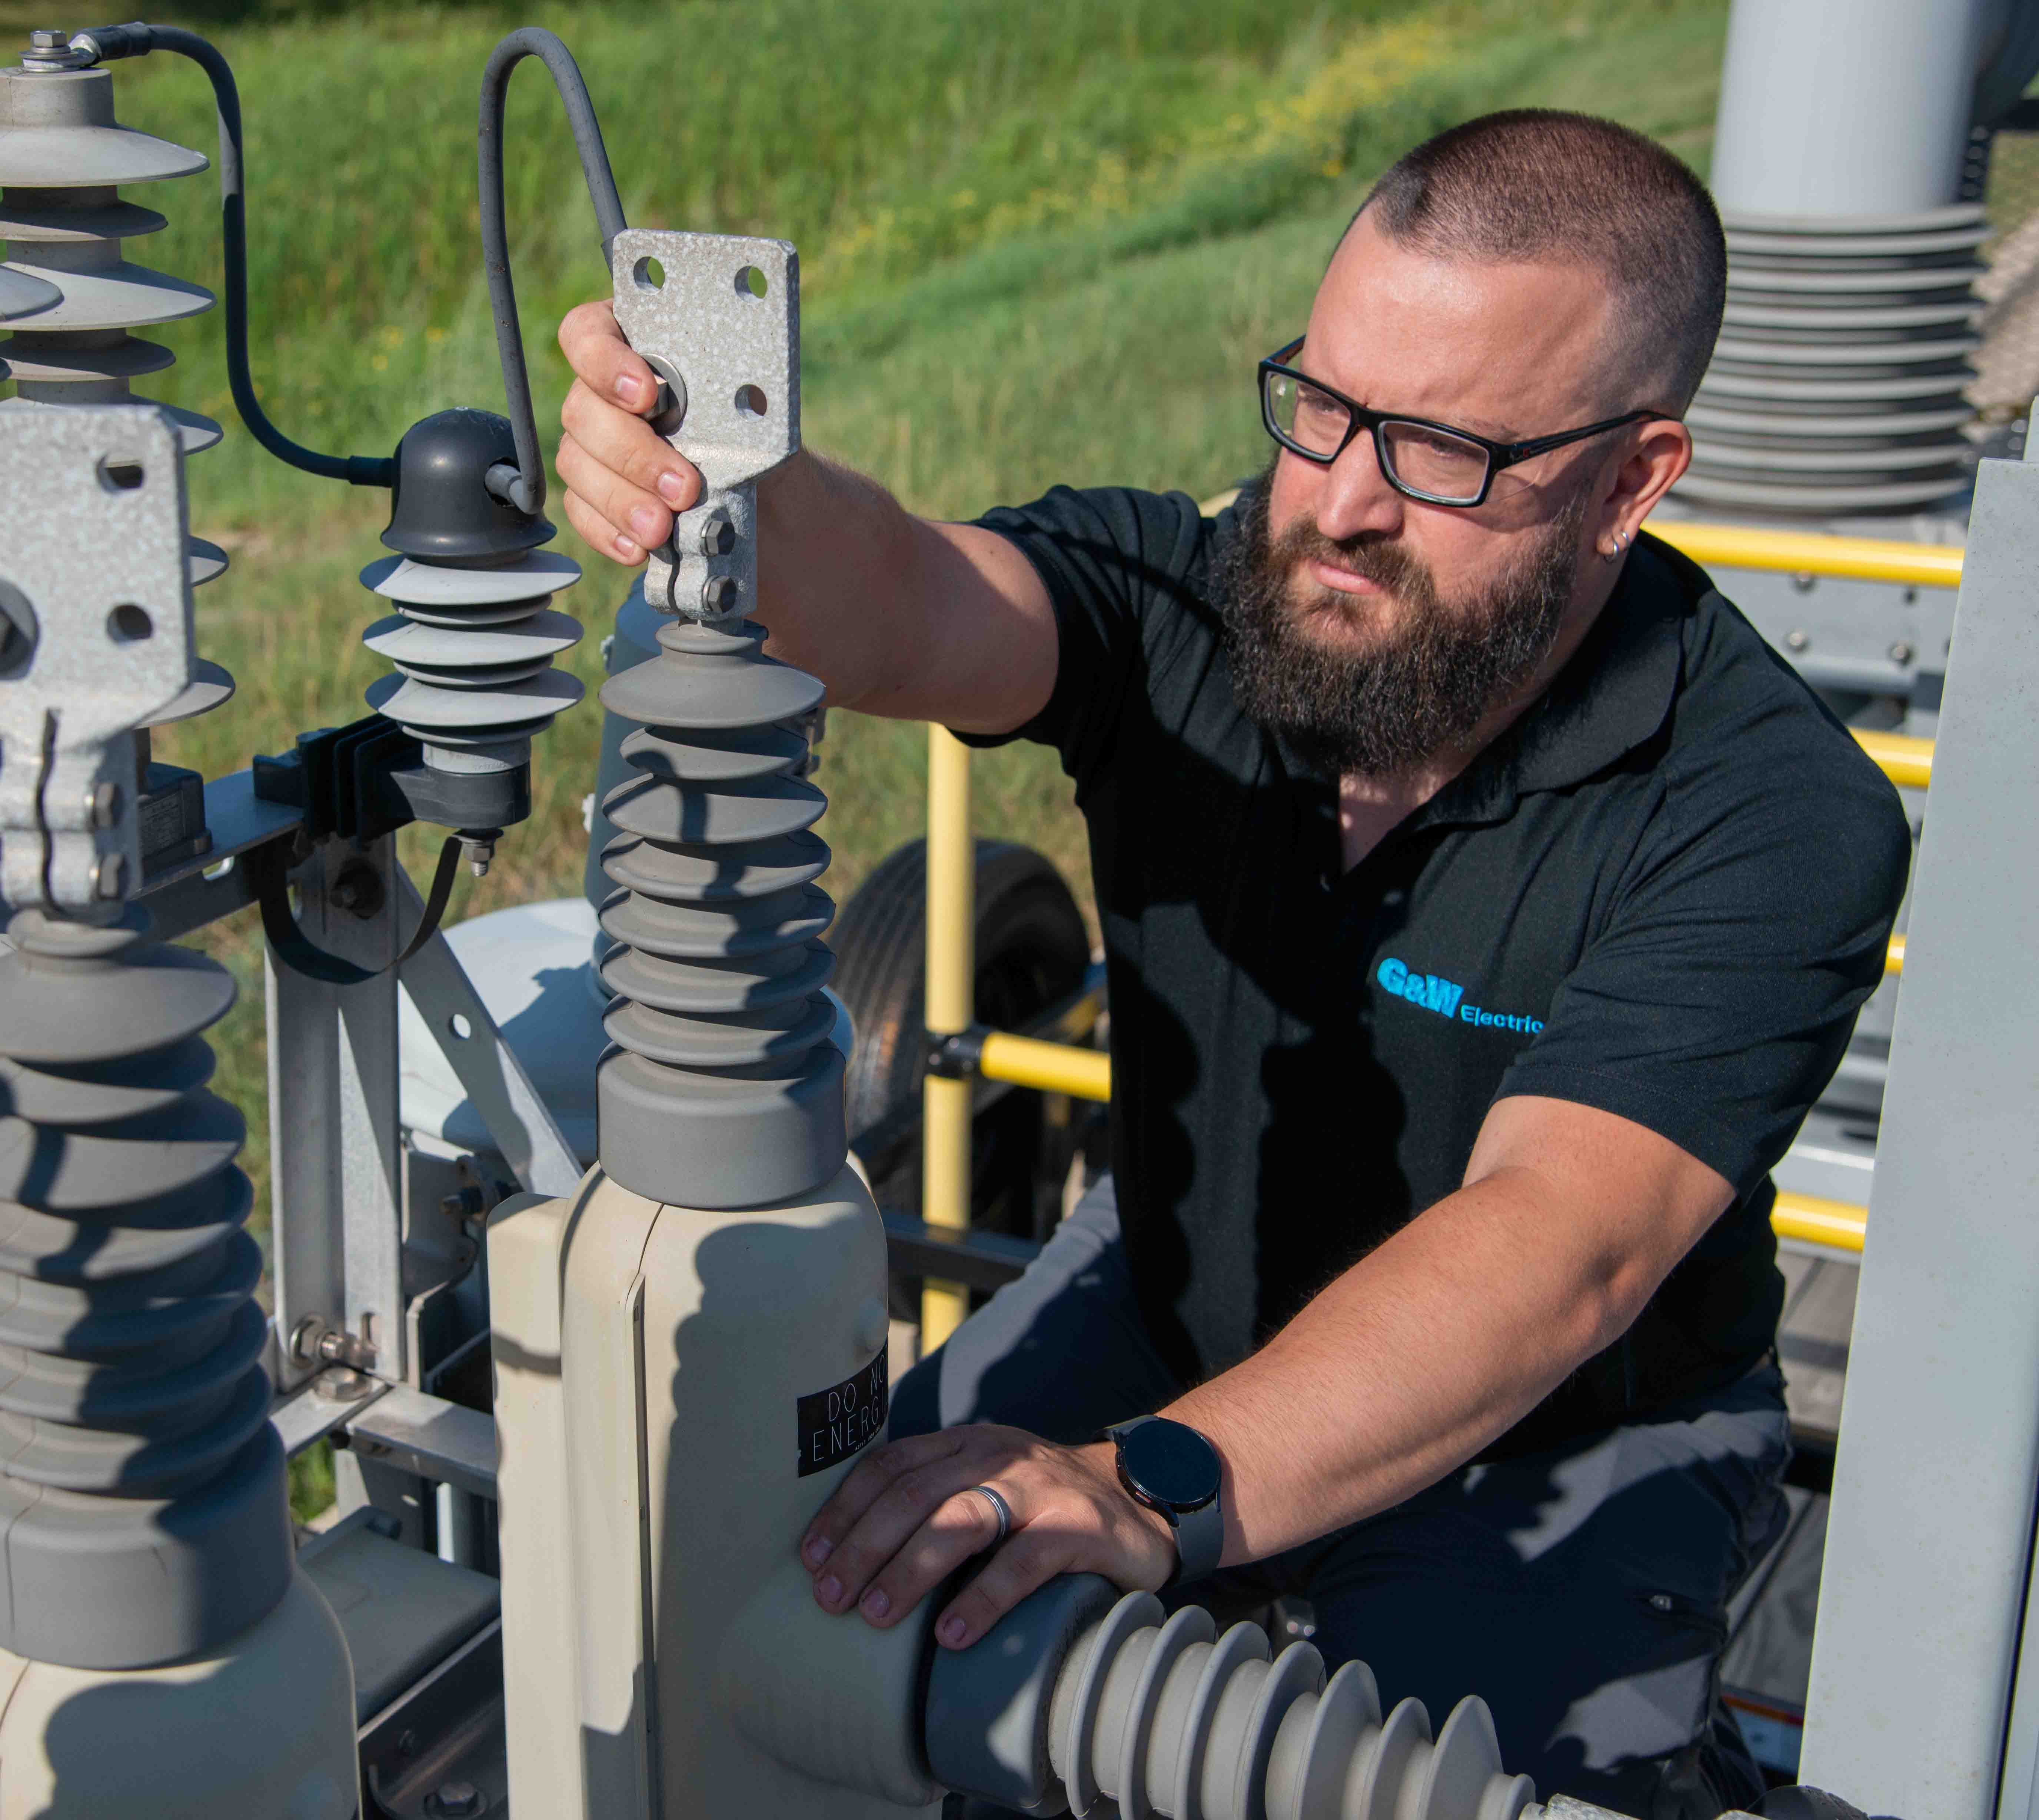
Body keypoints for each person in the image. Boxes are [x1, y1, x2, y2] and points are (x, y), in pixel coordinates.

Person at [551, 109, 1909, 1818]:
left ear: (1630, 480)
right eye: (1323, 406)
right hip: (1176, 1289)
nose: (1333, 505)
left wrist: (1144, 1488)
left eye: (1438, 454)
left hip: (1563, 1437)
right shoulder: (1194, 596)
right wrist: (715, 476)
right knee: (827, 1607)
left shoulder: (1766, 808)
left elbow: (1554, 1248)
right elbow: (901, 590)